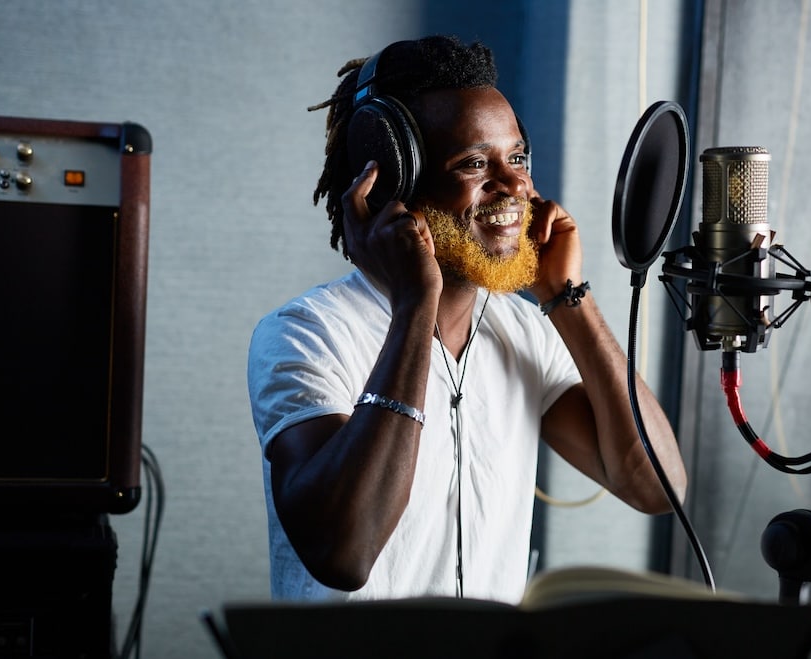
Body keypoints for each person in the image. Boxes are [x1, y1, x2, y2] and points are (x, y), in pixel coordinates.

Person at [247, 35, 687, 604]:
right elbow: (343, 553)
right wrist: (414, 307)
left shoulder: (522, 329)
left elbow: (657, 487)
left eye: (518, 158)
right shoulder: (306, 334)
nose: (515, 187)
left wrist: (566, 297)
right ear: (392, 183)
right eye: (475, 163)